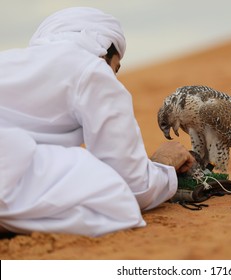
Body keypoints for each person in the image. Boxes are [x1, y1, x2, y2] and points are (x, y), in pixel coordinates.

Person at [0, 7, 195, 237]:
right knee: (105, 187)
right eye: (116, 68)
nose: (114, 76)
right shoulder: (92, 70)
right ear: (104, 53)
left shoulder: (8, 60)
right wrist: (163, 166)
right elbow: (135, 188)